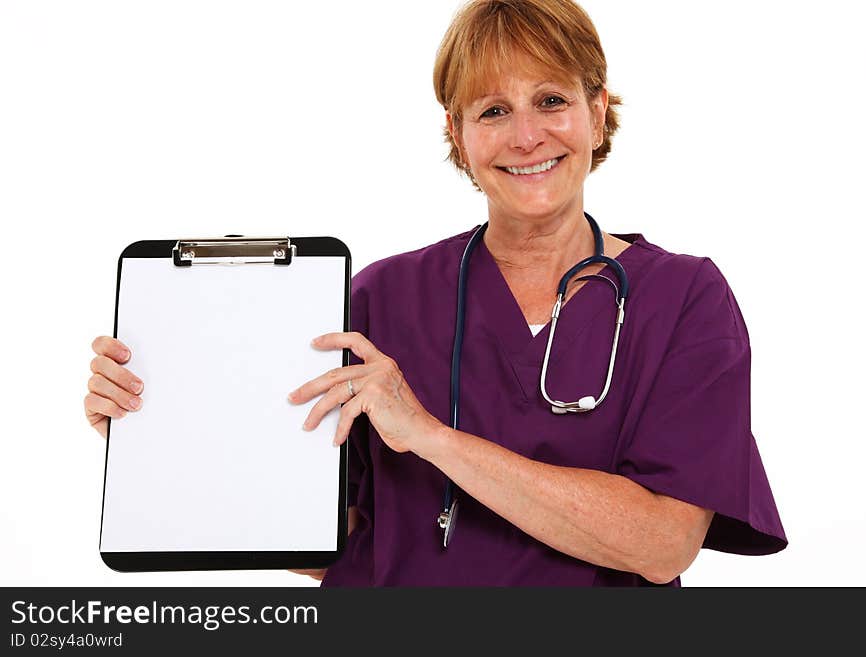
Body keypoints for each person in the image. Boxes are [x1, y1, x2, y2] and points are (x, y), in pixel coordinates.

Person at [85, 0, 787, 586]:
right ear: (456, 133)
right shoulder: (375, 301)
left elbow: (662, 544)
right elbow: (331, 539)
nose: (526, 136)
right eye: (491, 111)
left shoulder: (685, 299)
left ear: (597, 111)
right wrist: (161, 432)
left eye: (551, 100)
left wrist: (429, 437)